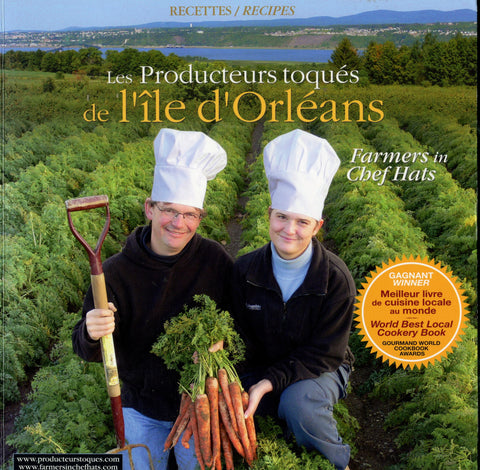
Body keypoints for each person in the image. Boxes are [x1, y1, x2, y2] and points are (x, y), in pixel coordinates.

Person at [72, 128, 233, 470]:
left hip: (197, 401)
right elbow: (83, 348)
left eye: (190, 214)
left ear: (200, 218)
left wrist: (225, 340)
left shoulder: (215, 260)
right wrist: (90, 331)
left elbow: (241, 322)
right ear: (149, 208)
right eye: (169, 210)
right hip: (141, 404)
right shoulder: (113, 273)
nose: (179, 223)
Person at [230, 129, 355, 470]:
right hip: (260, 366)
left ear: (317, 226)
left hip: (320, 368)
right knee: (222, 403)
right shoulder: (244, 271)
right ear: (269, 214)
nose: (289, 229)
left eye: (302, 222)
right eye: (282, 217)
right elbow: (236, 336)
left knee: (299, 403)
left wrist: (270, 383)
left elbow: (325, 352)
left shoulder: (335, 278)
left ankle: (336, 462)